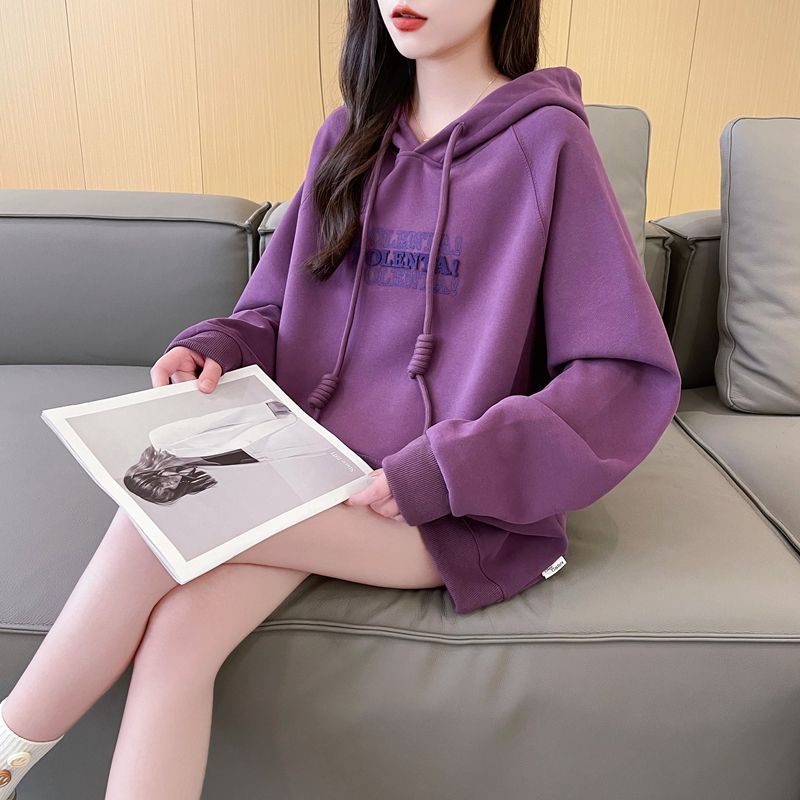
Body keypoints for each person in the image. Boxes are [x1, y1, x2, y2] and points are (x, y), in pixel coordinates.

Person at [0, 0, 683, 797]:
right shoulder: (349, 138)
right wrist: (220, 345)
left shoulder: (549, 144)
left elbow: (619, 374)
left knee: (159, 500)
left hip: (440, 510)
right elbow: (279, 308)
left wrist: (448, 466)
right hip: (305, 467)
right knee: (178, 641)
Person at [124, 400, 338, 505]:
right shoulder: (196, 468)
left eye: (164, 485)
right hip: (298, 442)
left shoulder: (162, 439)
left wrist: (266, 409)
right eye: (173, 490)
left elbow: (213, 421)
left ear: (151, 474)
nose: (174, 484)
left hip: (279, 420)